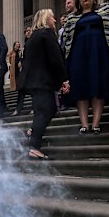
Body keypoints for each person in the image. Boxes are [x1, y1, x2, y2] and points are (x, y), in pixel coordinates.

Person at [62, 0, 109, 134]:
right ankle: (84, 124)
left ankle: (96, 123)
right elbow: (67, 40)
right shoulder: (72, 18)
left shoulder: (106, 11)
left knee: (98, 87)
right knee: (80, 88)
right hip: (78, 55)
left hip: (99, 53)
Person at [18, 9, 69, 160]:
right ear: (46, 19)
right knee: (45, 111)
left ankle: (34, 131)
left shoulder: (32, 37)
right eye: (53, 18)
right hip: (43, 81)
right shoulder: (47, 34)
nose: (55, 21)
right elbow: (56, 59)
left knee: (44, 110)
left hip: (33, 82)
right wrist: (64, 80)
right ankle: (34, 146)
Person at [8, 42, 24, 116]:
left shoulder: (21, 52)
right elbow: (10, 62)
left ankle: (18, 109)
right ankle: (18, 109)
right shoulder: (12, 53)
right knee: (20, 91)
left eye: (18, 45)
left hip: (22, 72)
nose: (17, 46)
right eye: (16, 45)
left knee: (21, 91)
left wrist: (21, 62)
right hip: (15, 72)